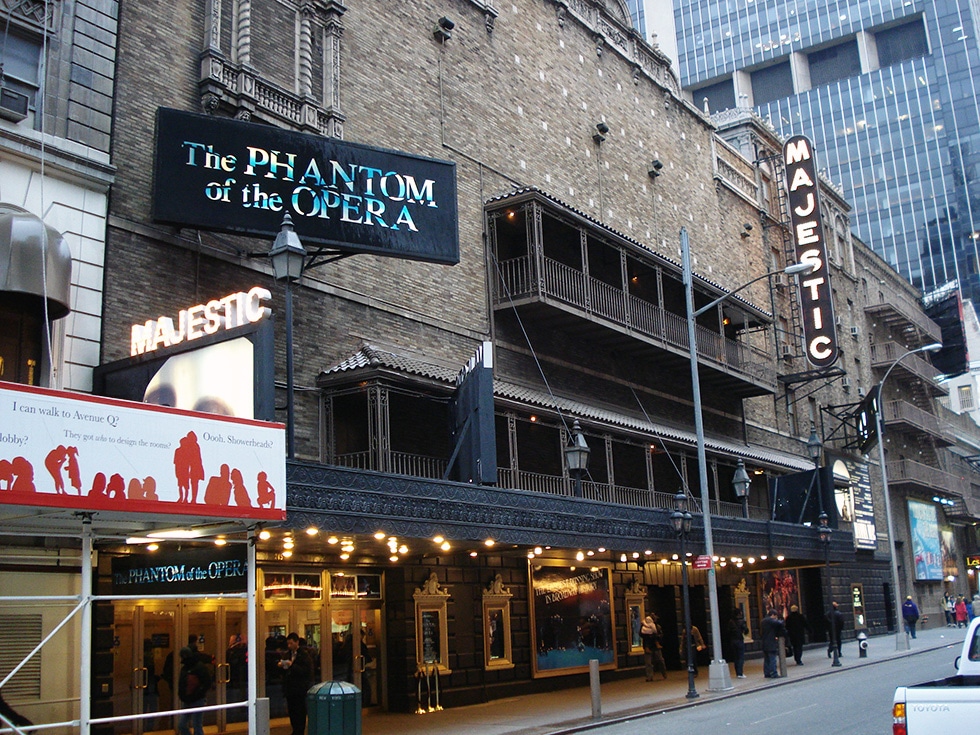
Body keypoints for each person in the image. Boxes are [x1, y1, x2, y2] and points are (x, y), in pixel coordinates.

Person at [279, 631, 314, 735]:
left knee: (300, 711)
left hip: (300, 688)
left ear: (297, 642)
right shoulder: (287, 654)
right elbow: (283, 673)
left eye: (291, 643)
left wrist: (292, 666)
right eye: (288, 643)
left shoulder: (304, 655)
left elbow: (306, 670)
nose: (289, 646)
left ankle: (299, 731)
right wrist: (281, 666)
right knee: (292, 711)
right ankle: (295, 730)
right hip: (290, 688)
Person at [176, 646, 212, 735]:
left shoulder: (195, 667)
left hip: (196, 699)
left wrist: (197, 694)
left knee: (196, 724)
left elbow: (207, 682)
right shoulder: (188, 667)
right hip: (189, 699)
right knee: (184, 724)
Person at [639, 614, 667, 681]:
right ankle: (649, 676)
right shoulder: (644, 627)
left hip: (654, 646)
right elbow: (641, 634)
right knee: (648, 662)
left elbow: (660, 635)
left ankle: (664, 673)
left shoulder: (657, 627)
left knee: (660, 660)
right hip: (648, 646)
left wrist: (656, 637)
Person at [760, 609, 785, 679]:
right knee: (772, 659)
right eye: (775, 616)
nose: (775, 618)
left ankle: (767, 673)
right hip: (771, 643)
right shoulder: (769, 620)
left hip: (764, 643)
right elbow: (779, 623)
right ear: (773, 615)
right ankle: (774, 673)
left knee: (767, 659)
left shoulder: (763, 621)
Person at [725, 611, 748, 679]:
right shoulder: (741, 621)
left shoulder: (730, 622)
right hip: (739, 640)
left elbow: (728, 631)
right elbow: (746, 630)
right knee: (741, 657)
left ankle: (737, 673)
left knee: (735, 657)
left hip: (733, 641)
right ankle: (740, 673)